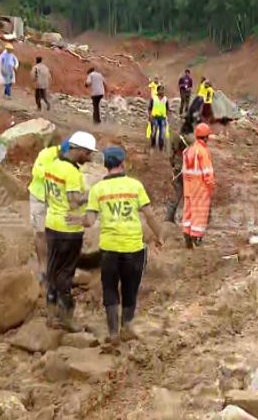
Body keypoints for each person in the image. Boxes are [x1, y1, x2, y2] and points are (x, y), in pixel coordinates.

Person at [82, 146, 164, 343]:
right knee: (130, 288)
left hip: (109, 248)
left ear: (105, 165)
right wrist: (159, 235)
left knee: (109, 288)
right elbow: (149, 214)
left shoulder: (97, 189)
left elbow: (89, 221)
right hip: (133, 247)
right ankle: (126, 327)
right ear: (122, 163)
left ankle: (112, 333)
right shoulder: (135, 186)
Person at [44, 131, 97, 331]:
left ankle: (51, 314)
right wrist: (91, 194)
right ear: (79, 150)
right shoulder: (72, 173)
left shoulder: (53, 166)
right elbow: (74, 200)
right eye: (88, 153)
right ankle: (67, 318)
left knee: (52, 270)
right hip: (69, 229)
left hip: (52, 224)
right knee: (66, 273)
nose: (89, 157)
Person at [28, 139, 67, 285]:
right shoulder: (46, 154)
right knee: (40, 232)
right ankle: (42, 268)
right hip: (39, 197)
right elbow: (37, 172)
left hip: (56, 201)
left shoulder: (72, 162)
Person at [182, 123, 216, 248]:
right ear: (206, 137)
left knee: (188, 210)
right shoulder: (203, 151)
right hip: (200, 187)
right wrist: (211, 186)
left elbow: (184, 170)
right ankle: (196, 237)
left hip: (188, 186)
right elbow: (207, 172)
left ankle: (187, 233)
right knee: (200, 213)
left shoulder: (188, 150)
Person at [166, 120, 194, 222]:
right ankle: (187, 218)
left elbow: (169, 154)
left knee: (178, 191)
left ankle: (169, 217)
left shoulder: (173, 136)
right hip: (187, 168)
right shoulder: (191, 139)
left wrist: (173, 165)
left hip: (178, 167)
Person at [147, 85, 170, 151]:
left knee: (162, 134)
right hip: (154, 118)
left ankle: (161, 147)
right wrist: (150, 116)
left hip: (162, 118)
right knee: (153, 133)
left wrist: (167, 117)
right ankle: (153, 144)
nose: (162, 91)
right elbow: (149, 108)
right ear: (158, 91)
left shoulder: (165, 99)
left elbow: (167, 109)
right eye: (160, 90)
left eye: (163, 90)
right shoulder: (153, 98)